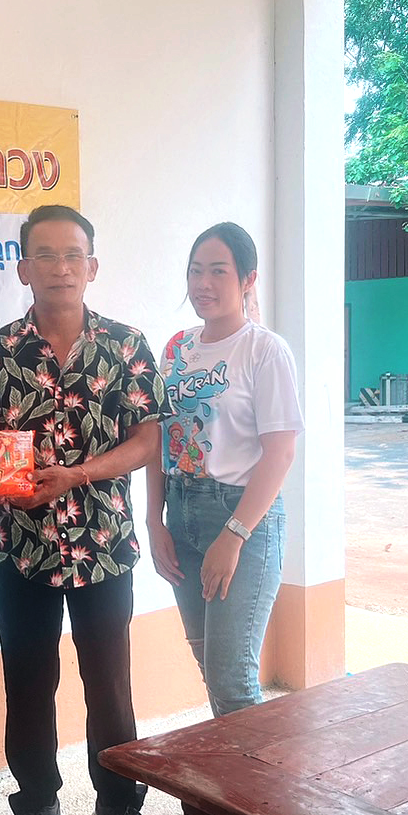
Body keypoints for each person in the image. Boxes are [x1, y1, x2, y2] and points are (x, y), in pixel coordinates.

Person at [0, 204, 169, 815]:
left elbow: (147, 439)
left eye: (72, 254)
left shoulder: (126, 345)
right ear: (23, 267)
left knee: (110, 684)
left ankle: (119, 808)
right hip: (22, 546)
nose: (60, 267)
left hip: (103, 544)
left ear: (92, 266)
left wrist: (76, 473)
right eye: (45, 255)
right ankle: (35, 807)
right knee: (27, 682)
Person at [146, 222, 303, 717]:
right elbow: (159, 437)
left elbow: (280, 453)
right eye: (196, 271)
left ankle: (259, 771)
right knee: (209, 667)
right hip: (181, 512)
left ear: (247, 279)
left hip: (242, 519)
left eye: (218, 271)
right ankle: (231, 769)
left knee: (232, 680)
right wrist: (154, 521)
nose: (203, 284)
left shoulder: (264, 350)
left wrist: (233, 536)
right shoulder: (176, 348)